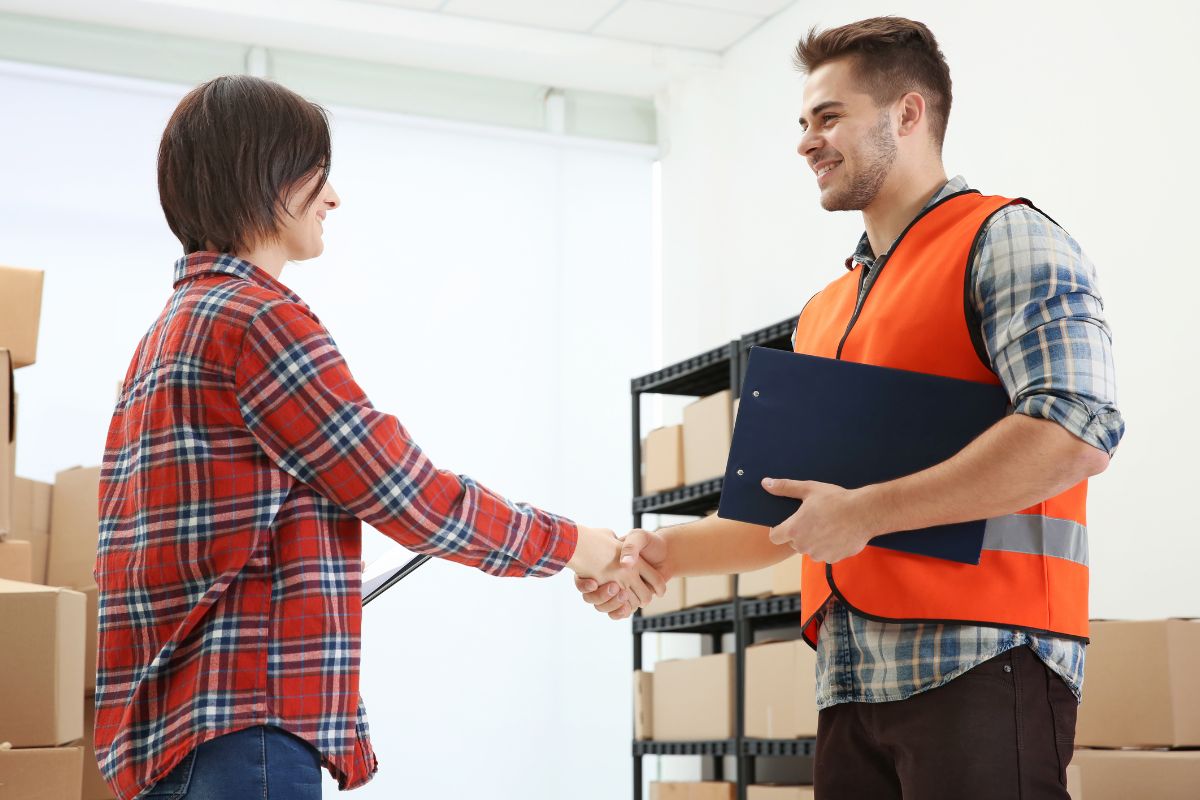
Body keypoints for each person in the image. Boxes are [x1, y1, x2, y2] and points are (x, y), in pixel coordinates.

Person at [578, 16, 1123, 800]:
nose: (806, 141)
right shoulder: (824, 312)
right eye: (803, 122)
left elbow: (1077, 430)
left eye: (828, 117)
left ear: (908, 114)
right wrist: (657, 555)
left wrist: (865, 513)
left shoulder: (1006, 239)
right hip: (851, 681)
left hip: (985, 659)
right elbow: (789, 513)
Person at [92, 75, 663, 800]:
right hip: (246, 734)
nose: (333, 197)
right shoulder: (259, 322)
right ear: (263, 176)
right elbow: (411, 495)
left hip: (173, 739)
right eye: (318, 175)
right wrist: (587, 546)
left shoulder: (162, 339)